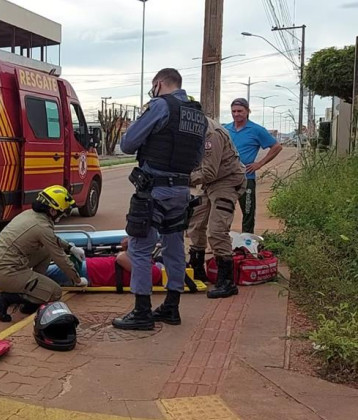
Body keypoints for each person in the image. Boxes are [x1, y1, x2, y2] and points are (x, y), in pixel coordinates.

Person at [113, 68, 206, 330]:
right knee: (174, 248)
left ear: (159, 84)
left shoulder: (160, 106)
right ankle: (171, 308)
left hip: (154, 191)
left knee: (140, 249)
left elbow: (128, 144)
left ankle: (142, 312)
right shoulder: (197, 114)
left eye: (153, 88)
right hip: (180, 191)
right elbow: (198, 158)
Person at [0, 185, 88, 322]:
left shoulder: (30, 215)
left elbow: (52, 240)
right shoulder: (41, 226)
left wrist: (70, 248)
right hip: (5, 272)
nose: (63, 215)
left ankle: (33, 293)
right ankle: (4, 299)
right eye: (63, 212)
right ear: (52, 210)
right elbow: (60, 258)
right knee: (55, 293)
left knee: (45, 250)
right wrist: (77, 280)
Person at [187, 116, 247, 299]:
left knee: (217, 230)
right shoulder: (193, 128)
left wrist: (181, 178)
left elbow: (209, 171)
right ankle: (197, 269)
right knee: (196, 223)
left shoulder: (210, 134)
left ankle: (226, 281)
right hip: (210, 184)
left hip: (227, 181)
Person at [0, 237, 164, 289]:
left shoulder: (154, 272)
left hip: (87, 274)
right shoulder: (147, 261)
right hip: (87, 267)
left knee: (40, 278)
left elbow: (121, 259)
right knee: (41, 271)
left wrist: (128, 249)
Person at [224, 98, 283, 234]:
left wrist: (260, 164)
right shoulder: (225, 129)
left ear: (247, 111)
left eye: (240, 111)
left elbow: (276, 147)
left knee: (248, 211)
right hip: (226, 177)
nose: (236, 114)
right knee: (224, 211)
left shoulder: (256, 130)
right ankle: (222, 242)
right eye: (234, 111)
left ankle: (246, 242)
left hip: (246, 178)